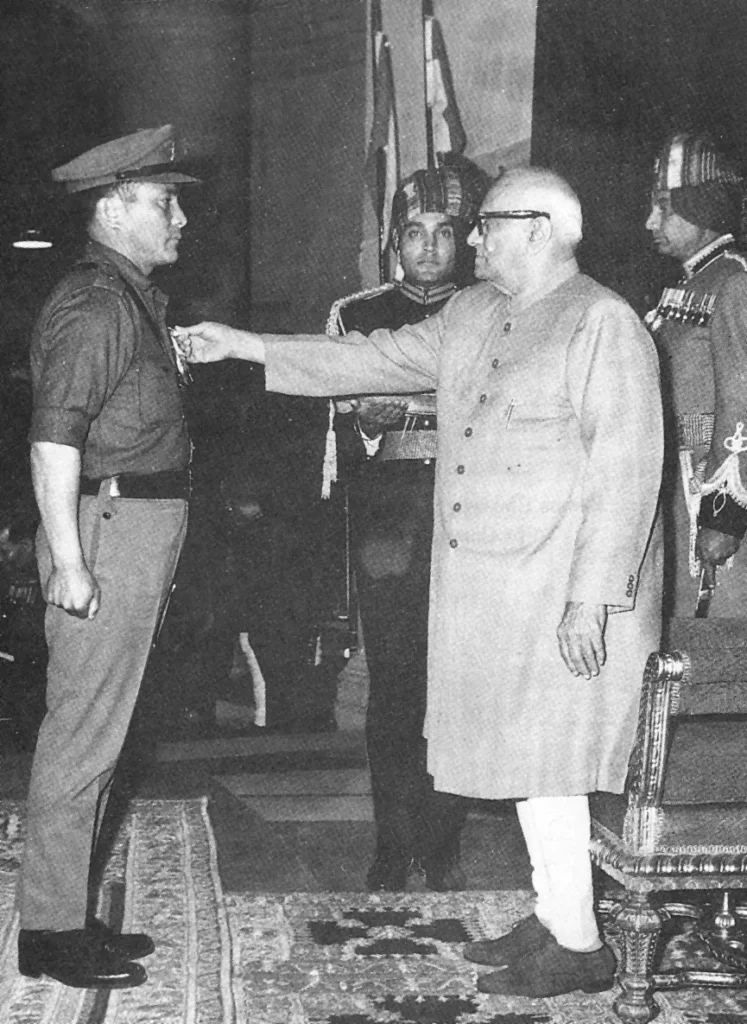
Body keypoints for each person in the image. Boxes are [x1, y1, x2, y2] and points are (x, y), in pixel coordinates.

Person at [177, 166, 663, 998]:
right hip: (490, 589)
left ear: (539, 229)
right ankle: (556, 914)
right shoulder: (471, 312)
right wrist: (245, 345)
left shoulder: (602, 323)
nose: (472, 238)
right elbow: (368, 356)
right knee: (524, 762)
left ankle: (579, 943)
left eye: (486, 224)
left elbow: (627, 473)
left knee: (550, 762)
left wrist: (591, 599)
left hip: (557, 587)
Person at [18, 125, 197, 989]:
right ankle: (50, 935)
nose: (181, 218)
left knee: (104, 729)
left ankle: (67, 913)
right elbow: (54, 439)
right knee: (83, 734)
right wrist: (70, 560)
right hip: (108, 530)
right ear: (115, 208)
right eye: (165, 202)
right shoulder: (98, 304)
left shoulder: (127, 296)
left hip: (134, 528)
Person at [328, 162, 486, 892]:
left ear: (464, 240)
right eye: (414, 232)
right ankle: (393, 844)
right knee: (393, 681)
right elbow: (333, 429)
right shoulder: (358, 315)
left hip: (473, 514)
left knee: (457, 680)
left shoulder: (491, 309)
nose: (428, 247)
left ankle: (441, 840)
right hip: (390, 516)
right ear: (394, 240)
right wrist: (366, 421)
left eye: (443, 232)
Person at [644, 130, 747, 618]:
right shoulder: (691, 285)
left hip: (711, 499)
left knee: (716, 637)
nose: (651, 221)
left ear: (701, 206)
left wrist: (726, 515)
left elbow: (743, 402)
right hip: (679, 491)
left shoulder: (735, 283)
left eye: (664, 207)